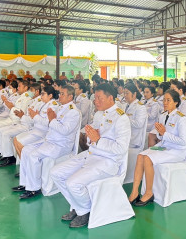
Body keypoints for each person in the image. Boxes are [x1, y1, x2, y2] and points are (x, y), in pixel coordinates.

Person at [50, 83, 130, 228]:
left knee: (73, 183)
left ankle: (84, 211)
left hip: (108, 161)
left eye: (99, 98)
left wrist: (98, 140)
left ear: (110, 98)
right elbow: (91, 137)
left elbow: (121, 148)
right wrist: (91, 137)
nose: (96, 101)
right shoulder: (99, 114)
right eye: (95, 98)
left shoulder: (121, 118)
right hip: (91, 154)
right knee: (56, 172)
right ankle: (78, 206)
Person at [13, 85, 81, 199]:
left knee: (34, 155)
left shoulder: (73, 112)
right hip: (50, 140)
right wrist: (49, 119)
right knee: (26, 150)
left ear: (70, 97)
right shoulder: (60, 107)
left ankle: (34, 189)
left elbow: (64, 130)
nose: (59, 95)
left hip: (61, 144)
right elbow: (50, 123)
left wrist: (52, 119)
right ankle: (25, 184)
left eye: (62, 94)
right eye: (60, 93)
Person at [128, 89, 186, 206]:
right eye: (164, 100)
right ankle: (135, 192)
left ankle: (149, 193)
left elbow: (182, 142)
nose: (165, 102)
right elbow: (160, 137)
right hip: (164, 147)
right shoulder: (163, 116)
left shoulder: (181, 118)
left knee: (147, 158)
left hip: (176, 150)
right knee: (141, 155)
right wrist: (160, 134)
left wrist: (165, 134)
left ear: (176, 102)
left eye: (168, 100)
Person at [0, 80, 31, 159]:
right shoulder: (21, 96)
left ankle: (6, 155)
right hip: (11, 117)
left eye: (19, 86)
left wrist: (10, 106)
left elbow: (19, 112)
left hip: (16, 120)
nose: (18, 88)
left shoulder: (26, 98)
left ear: (25, 88)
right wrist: (8, 104)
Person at [124, 83, 147, 148]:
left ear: (134, 94)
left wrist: (124, 119)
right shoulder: (126, 105)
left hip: (134, 140)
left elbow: (139, 124)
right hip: (126, 138)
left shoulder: (140, 107)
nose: (125, 95)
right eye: (124, 93)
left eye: (127, 93)